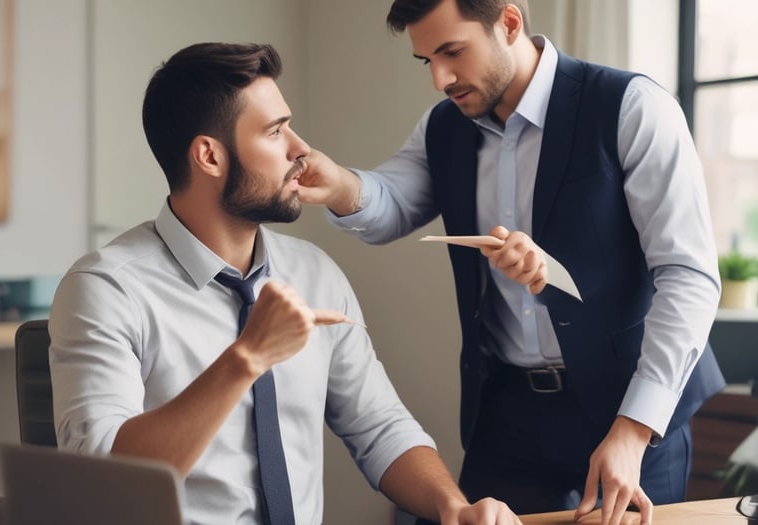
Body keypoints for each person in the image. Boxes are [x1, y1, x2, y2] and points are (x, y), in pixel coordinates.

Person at [48, 42, 523, 525]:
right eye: (275, 132)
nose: (301, 150)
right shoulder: (106, 289)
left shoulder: (315, 273)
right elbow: (103, 483)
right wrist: (246, 358)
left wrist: (454, 508)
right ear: (209, 156)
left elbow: (380, 427)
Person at [298, 1, 727, 524]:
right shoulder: (445, 126)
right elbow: (392, 205)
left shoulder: (631, 105)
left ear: (508, 22)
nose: (440, 78)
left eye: (452, 51)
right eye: (426, 59)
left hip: (632, 403)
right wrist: (338, 183)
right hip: (510, 414)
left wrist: (634, 428)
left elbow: (688, 276)